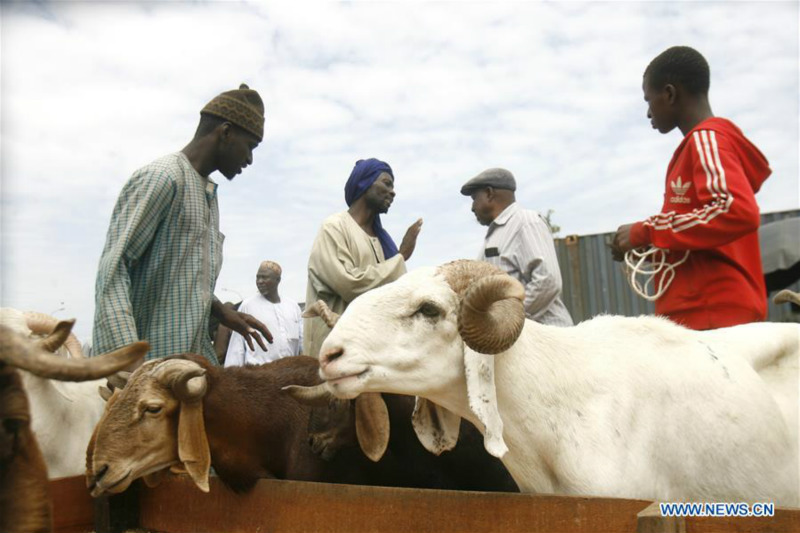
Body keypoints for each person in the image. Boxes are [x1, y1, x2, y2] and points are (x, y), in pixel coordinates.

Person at [93, 84, 273, 366]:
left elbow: (179, 275)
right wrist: (127, 363)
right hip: (149, 373)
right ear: (225, 132)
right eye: (249, 146)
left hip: (187, 365)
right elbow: (115, 271)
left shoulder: (208, 195)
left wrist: (220, 311)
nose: (249, 159)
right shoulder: (163, 178)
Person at [610, 46, 771, 330]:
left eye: (649, 100)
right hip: (708, 314)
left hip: (713, 314)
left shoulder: (706, 140)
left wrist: (644, 230)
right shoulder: (700, 146)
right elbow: (700, 232)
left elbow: (735, 210)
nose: (648, 112)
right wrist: (644, 243)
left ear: (670, 94)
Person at [304, 158, 423, 357]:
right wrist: (400, 257)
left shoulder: (381, 241)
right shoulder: (334, 227)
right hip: (333, 350)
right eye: (386, 183)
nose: (393, 192)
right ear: (364, 183)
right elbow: (349, 284)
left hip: (370, 351)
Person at [461, 168, 573, 327]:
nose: (472, 207)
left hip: (547, 340)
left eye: (474, 199)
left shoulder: (526, 222)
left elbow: (547, 280)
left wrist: (508, 319)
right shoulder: (495, 234)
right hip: (519, 339)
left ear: (489, 193)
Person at [225, 261, 303, 366]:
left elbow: (303, 343)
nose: (260, 281)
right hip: (259, 375)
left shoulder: (293, 307)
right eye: (258, 277)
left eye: (264, 277)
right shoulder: (247, 306)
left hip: (290, 374)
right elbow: (236, 348)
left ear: (278, 280)